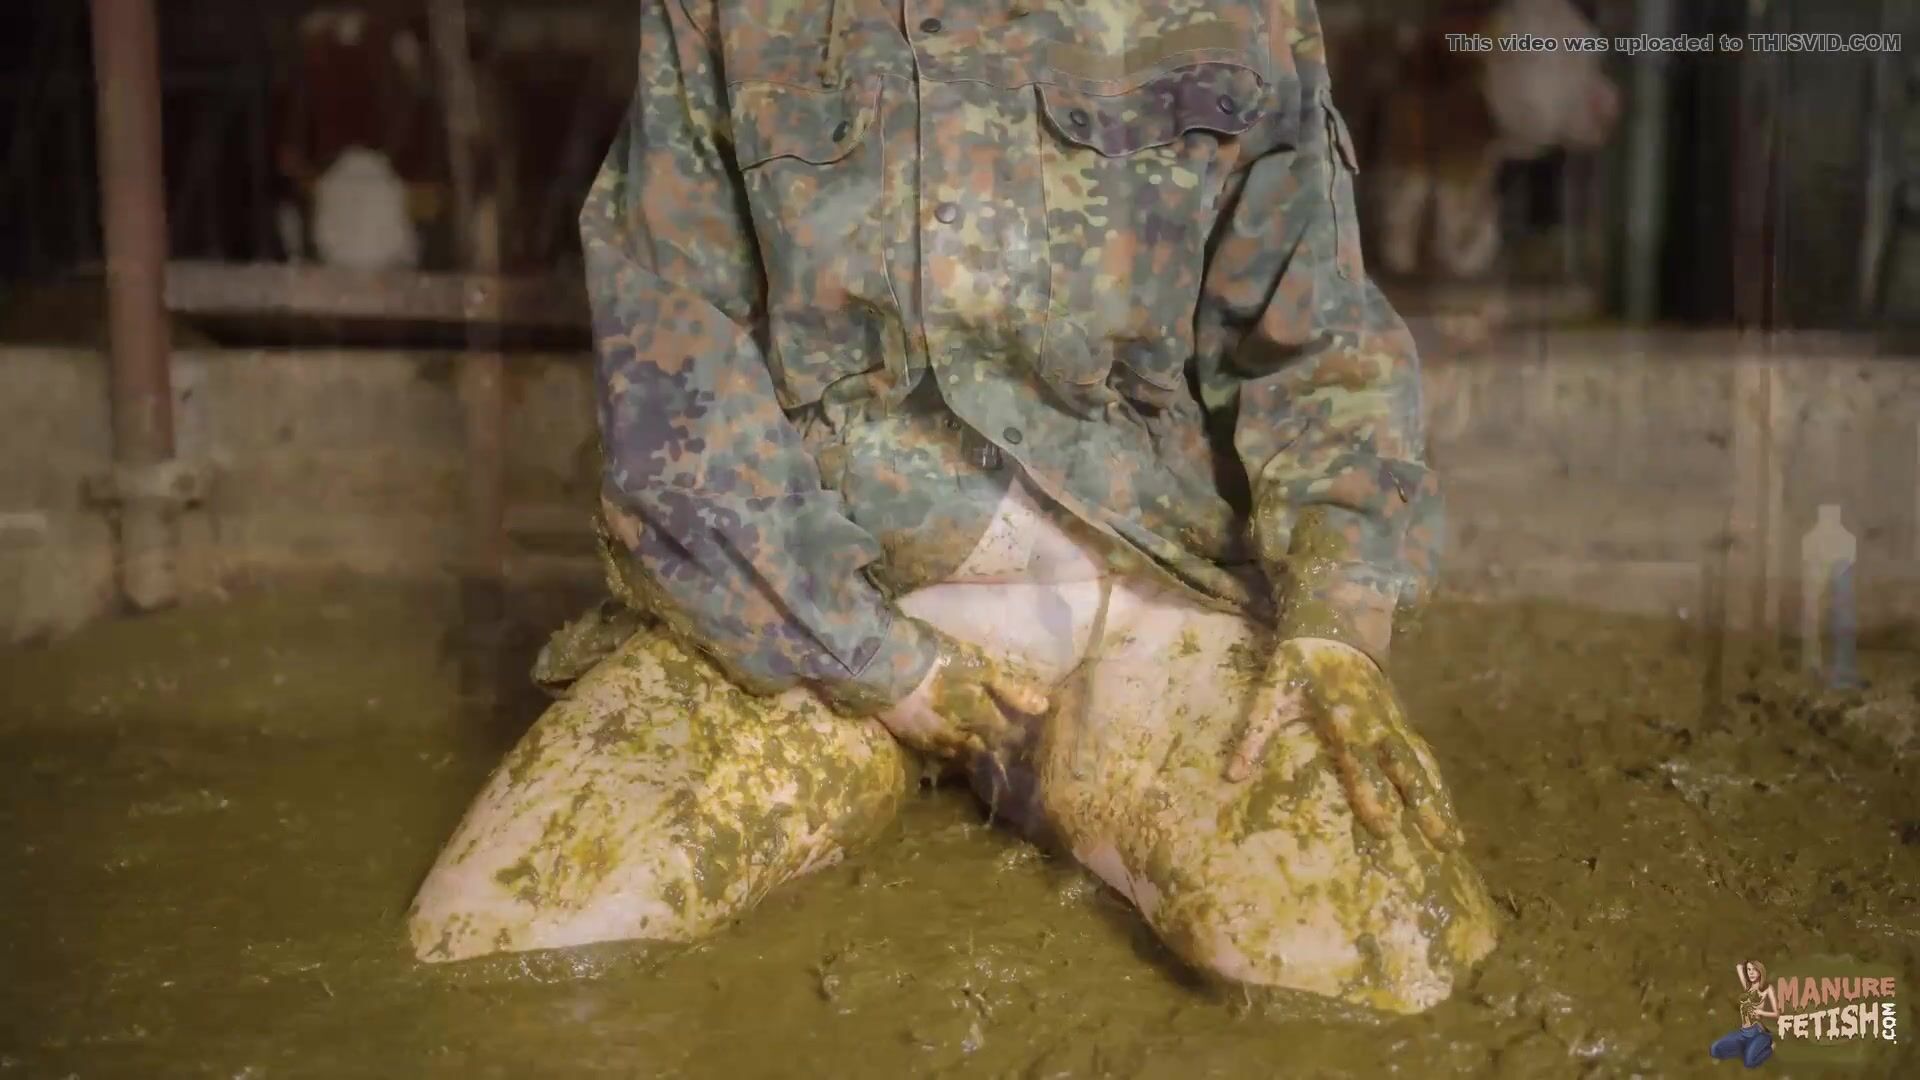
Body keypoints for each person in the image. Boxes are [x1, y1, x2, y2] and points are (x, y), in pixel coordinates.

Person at [409, 0, 1497, 1014]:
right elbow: (675, 370)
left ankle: (1081, 766)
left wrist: (1338, 616)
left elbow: (1319, 340)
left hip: (1139, 584)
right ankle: (877, 752)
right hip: (819, 596)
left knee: (1386, 955)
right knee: (499, 930)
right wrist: (877, 663)